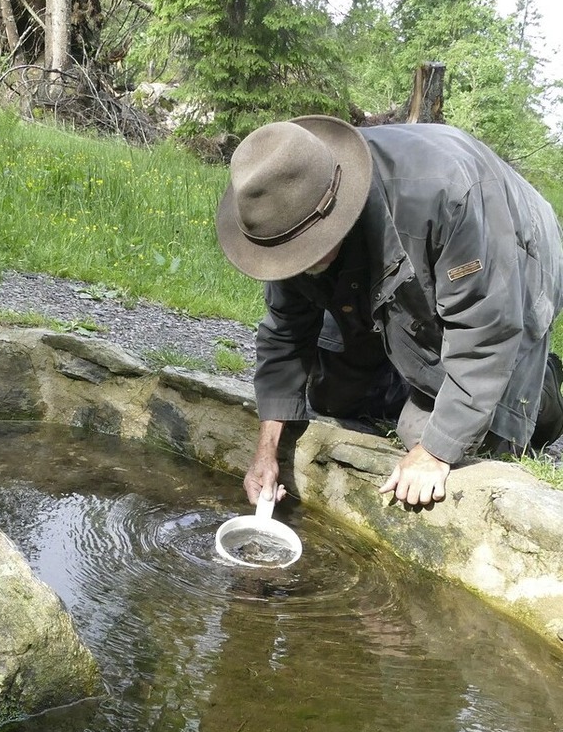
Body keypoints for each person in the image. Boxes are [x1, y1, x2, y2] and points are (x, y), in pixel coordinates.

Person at [216, 115, 563, 507]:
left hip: (513, 247)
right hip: (398, 249)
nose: (295, 264)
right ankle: (416, 376)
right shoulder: (289, 203)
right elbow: (285, 333)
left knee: (440, 440)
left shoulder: (448, 195)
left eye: (305, 252)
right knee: (332, 399)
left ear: (334, 215)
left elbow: (486, 330)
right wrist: (267, 449)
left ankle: (541, 389)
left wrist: (433, 453)